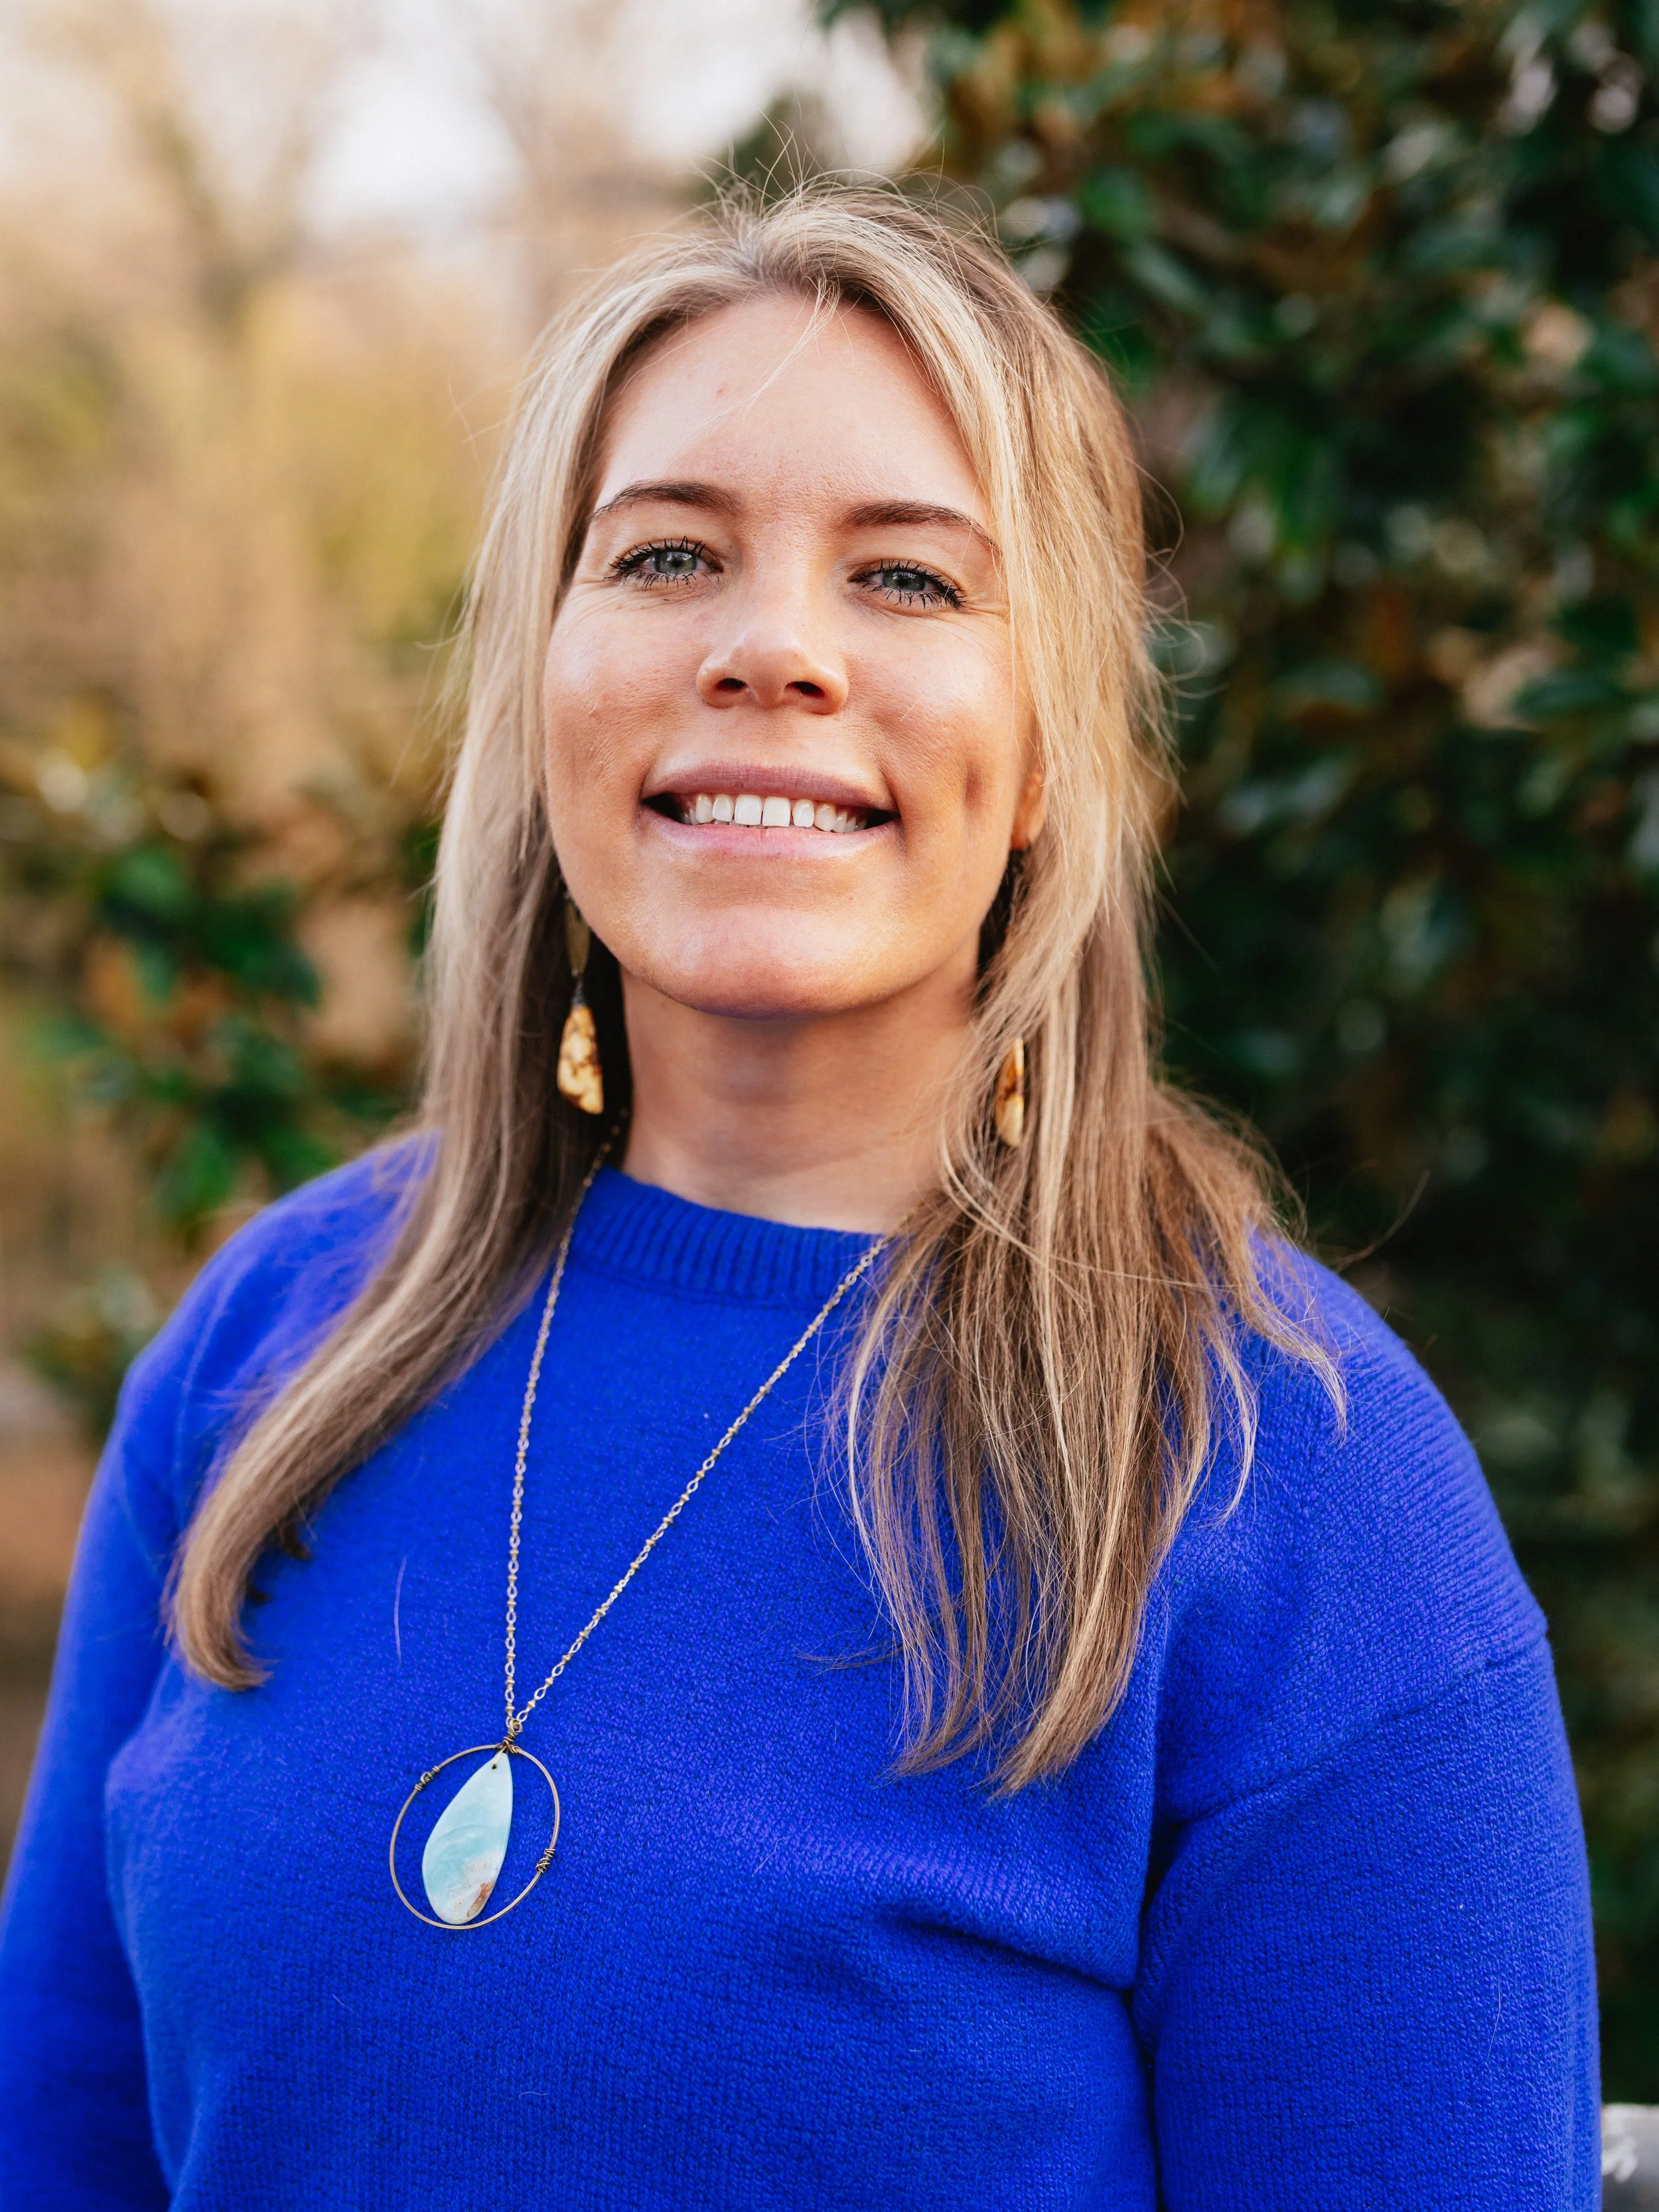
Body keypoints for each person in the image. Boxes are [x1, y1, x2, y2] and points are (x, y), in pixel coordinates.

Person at [0, 186, 1597, 2209]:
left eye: (911, 581)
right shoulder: (268, 1345)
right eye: (666, 553)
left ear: (1044, 759)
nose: (772, 648)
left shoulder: (1293, 1485)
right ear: (546, 678)